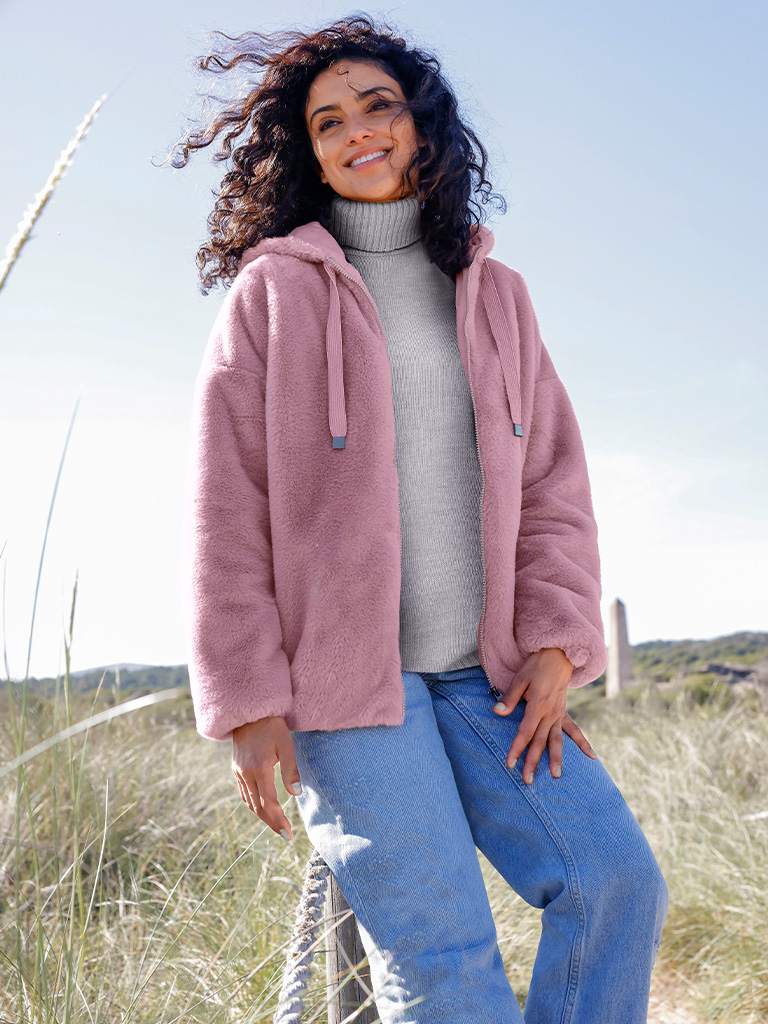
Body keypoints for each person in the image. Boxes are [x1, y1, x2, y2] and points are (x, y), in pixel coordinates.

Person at [176, 14, 668, 1023]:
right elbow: (225, 509)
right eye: (328, 122)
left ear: (420, 123)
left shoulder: (498, 294)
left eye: (378, 106)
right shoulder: (272, 294)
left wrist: (559, 642)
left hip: (491, 678)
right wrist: (247, 699)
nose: (359, 130)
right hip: (350, 695)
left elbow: (553, 484)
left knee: (614, 880)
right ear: (307, 153)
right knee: (445, 963)